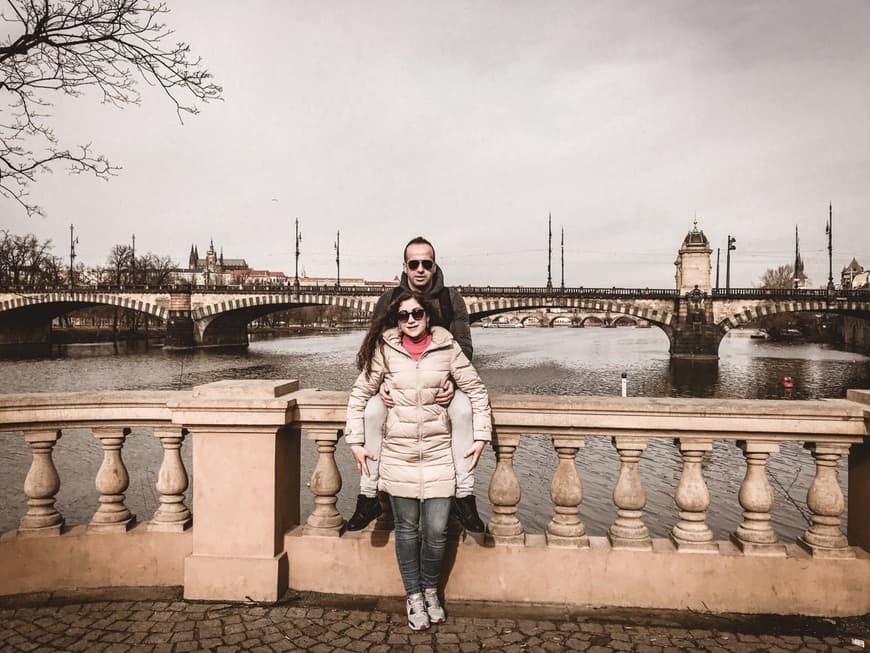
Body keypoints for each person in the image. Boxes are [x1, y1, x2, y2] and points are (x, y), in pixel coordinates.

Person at [345, 290, 492, 630]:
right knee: (408, 532)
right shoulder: (386, 350)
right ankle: (414, 596)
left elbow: (478, 391)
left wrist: (481, 435)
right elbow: (359, 395)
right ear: (396, 321)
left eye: (417, 314)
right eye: (404, 315)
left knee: (438, 531)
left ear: (428, 317)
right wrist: (355, 441)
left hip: (439, 454)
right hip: (400, 455)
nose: (411, 320)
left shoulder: (447, 347)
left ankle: (430, 591)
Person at [345, 236, 486, 532]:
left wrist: (450, 381)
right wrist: (382, 380)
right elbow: (372, 348)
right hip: (396, 385)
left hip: (444, 384)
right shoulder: (388, 299)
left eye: (426, 263)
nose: (420, 269)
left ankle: (465, 496)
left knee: (463, 413)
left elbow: (464, 347)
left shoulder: (451, 299)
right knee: (371, 413)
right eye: (414, 263)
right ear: (405, 267)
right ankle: (367, 495)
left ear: (434, 266)